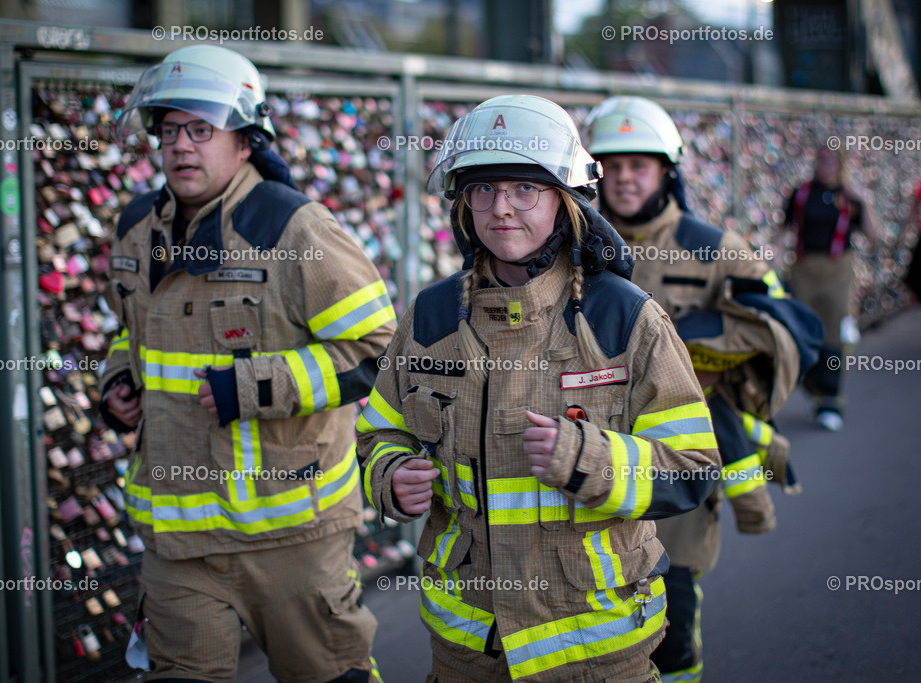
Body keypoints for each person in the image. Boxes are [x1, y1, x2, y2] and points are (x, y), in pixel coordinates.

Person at [357, 94, 722, 682]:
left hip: (596, 649)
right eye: (483, 189)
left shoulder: (623, 319)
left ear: (565, 200)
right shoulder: (430, 318)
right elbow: (380, 430)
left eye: (525, 189)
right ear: (463, 205)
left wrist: (589, 459)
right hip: (465, 649)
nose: (501, 208)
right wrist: (391, 477)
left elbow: (692, 468)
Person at [99, 45, 394, 683]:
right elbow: (130, 335)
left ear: (244, 139)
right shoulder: (134, 230)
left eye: (202, 129)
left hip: (291, 536)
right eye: (170, 129)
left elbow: (378, 351)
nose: (181, 145)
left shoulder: (296, 230)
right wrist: (118, 378)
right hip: (176, 543)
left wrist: (259, 385)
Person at [584, 95, 822, 683]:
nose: (624, 178)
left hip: (677, 457)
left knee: (672, 608)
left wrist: (695, 346)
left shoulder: (713, 245)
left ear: (668, 170)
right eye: (611, 166)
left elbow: (783, 324)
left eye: (639, 164)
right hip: (590, 452)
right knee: (593, 614)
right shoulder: (573, 245)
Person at [783, 144, 875, 431]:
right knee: (802, 332)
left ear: (840, 163)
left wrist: (865, 201)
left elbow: (873, 234)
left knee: (833, 335)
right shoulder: (801, 194)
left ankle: (831, 398)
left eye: (831, 160)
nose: (825, 165)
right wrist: (771, 255)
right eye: (821, 159)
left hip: (837, 271)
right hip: (803, 269)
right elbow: (786, 229)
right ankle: (814, 388)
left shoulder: (848, 197)